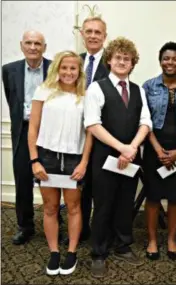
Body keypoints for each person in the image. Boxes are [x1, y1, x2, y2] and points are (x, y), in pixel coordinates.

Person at [84, 37, 152, 277]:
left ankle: (122, 245)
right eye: (118, 58)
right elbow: (92, 124)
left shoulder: (138, 90)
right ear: (109, 60)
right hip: (104, 158)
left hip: (132, 157)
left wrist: (131, 148)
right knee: (103, 205)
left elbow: (146, 122)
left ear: (132, 63)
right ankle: (99, 253)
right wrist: (121, 147)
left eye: (127, 58)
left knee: (125, 203)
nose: (122, 62)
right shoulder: (96, 88)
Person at [28, 51, 92, 275]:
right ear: (57, 68)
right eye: (64, 68)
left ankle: (72, 252)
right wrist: (35, 160)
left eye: (73, 68)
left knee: (74, 208)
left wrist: (84, 163)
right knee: (50, 208)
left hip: (74, 159)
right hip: (47, 158)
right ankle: (54, 252)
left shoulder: (85, 95)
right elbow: (33, 128)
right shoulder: (44, 91)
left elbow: (89, 133)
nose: (68, 72)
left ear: (79, 71)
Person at [142, 42, 176, 260]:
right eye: (166, 58)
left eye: (175, 59)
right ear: (160, 60)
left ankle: (172, 239)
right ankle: (153, 240)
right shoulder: (148, 87)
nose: (170, 63)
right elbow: (144, 121)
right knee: (153, 197)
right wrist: (157, 149)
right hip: (154, 149)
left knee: (175, 198)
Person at [2, 30, 51, 245]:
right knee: (23, 180)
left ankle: (54, 221)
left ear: (44, 47)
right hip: (22, 131)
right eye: (29, 43)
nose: (33, 47)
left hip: (48, 133)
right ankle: (25, 226)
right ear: (21, 45)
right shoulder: (8, 70)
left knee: (50, 180)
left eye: (37, 44)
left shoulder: (54, 69)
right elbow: (12, 98)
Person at [76, 16, 109, 243]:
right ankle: (81, 230)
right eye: (89, 31)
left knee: (100, 187)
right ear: (82, 34)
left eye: (98, 32)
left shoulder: (114, 62)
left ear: (105, 36)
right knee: (79, 184)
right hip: (75, 134)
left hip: (102, 135)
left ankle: (100, 233)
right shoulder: (74, 62)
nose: (93, 36)